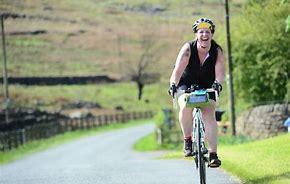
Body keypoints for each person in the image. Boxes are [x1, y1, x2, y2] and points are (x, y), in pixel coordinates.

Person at [168, 18, 225, 168]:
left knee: (209, 113)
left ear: (211, 34)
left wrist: (217, 84)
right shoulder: (188, 49)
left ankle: (213, 154)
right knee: (185, 105)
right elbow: (177, 70)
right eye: (201, 32)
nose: (204, 35)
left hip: (207, 86)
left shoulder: (216, 51)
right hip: (185, 84)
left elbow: (220, 73)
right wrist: (173, 84)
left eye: (207, 32)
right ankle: (188, 141)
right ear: (196, 34)